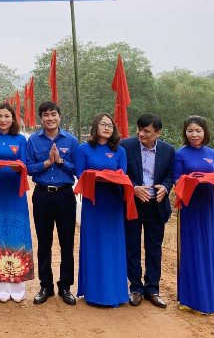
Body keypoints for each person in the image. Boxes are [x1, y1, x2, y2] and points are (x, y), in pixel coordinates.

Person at [25, 101, 78, 306]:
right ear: (41, 118)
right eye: (46, 115)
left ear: (59, 116)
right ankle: (45, 286)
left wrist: (61, 161)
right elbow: (28, 168)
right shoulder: (33, 141)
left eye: (53, 114)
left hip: (65, 195)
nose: (50, 118)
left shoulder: (71, 141)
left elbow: (78, 169)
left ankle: (65, 286)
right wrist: (47, 162)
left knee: (67, 242)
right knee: (44, 242)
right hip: (42, 195)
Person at [120, 114, 175, 308]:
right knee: (132, 247)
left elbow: (170, 175)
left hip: (156, 205)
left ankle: (152, 289)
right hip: (133, 204)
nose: (140, 134)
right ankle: (135, 288)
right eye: (139, 129)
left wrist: (165, 188)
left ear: (157, 133)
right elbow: (120, 172)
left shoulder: (168, 150)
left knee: (154, 248)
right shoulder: (126, 146)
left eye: (146, 131)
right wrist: (133, 188)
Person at [75, 113, 128, 307]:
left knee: (113, 246)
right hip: (93, 202)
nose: (107, 128)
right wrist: (100, 176)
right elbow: (80, 174)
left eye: (110, 125)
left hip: (113, 203)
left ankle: (116, 293)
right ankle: (94, 292)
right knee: (94, 243)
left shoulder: (120, 151)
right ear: (95, 126)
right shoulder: (84, 149)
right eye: (103, 124)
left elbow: (122, 174)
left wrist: (107, 177)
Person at [174, 115, 214, 314]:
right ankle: (190, 300)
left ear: (205, 132)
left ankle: (213, 300)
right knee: (192, 249)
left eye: (198, 131)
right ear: (185, 132)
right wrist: (192, 180)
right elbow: (177, 181)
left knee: (210, 250)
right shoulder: (180, 154)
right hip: (190, 206)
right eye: (190, 131)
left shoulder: (213, 154)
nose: (194, 134)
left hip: (209, 207)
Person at [0, 103, 33, 303]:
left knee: (18, 233)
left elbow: (24, 165)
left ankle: (18, 283)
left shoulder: (20, 139)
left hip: (16, 193)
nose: (3, 120)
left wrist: (16, 166)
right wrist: (0, 165)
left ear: (13, 119)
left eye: (7, 116)